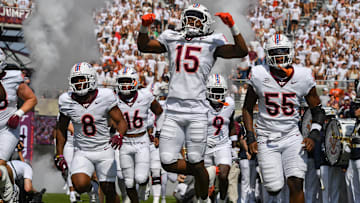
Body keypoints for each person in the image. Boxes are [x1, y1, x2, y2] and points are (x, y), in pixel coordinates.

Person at [137, 3, 248, 202]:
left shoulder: (212, 41)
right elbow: (144, 46)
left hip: (197, 110)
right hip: (173, 109)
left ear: (206, 23)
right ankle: (205, 173)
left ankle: (203, 198)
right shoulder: (172, 37)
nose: (191, 22)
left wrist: (233, 26)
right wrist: (144, 27)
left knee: (196, 161)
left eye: (196, 18)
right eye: (188, 17)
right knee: (167, 162)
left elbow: (241, 51)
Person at [243, 33, 325, 203]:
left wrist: (314, 134)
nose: (279, 56)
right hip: (267, 137)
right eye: (275, 52)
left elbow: (317, 110)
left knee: (295, 182)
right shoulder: (259, 74)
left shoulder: (302, 75)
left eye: (283, 51)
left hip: (291, 135)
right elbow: (247, 108)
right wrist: (250, 136)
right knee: (273, 188)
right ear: (267, 54)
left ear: (291, 52)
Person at [55, 62, 128, 203]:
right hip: (82, 150)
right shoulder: (66, 100)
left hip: (104, 149)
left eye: (82, 78)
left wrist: (119, 135)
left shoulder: (105, 96)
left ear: (92, 78)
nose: (79, 83)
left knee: (109, 191)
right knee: (79, 185)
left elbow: (121, 121)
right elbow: (61, 129)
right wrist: (59, 154)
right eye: (76, 80)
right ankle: (93, 188)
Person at [115, 67, 163, 203]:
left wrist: (158, 133)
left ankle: (145, 183)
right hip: (124, 142)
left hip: (141, 140)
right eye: (122, 81)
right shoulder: (113, 98)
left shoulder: (145, 95)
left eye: (127, 81)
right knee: (128, 182)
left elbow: (159, 112)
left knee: (141, 178)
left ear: (135, 81)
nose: (124, 85)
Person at [0, 55, 37, 202]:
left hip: (7, 129)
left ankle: (11, 191)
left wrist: (19, 113)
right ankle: (8, 192)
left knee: (0, 165)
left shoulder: (13, 78)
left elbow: (31, 99)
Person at [203, 74, 235, 203]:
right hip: (204, 145)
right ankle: (207, 198)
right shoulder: (202, 105)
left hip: (222, 144)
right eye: (214, 90)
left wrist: (233, 144)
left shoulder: (230, 103)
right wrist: (203, 139)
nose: (217, 94)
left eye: (220, 90)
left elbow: (232, 123)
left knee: (223, 175)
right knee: (206, 179)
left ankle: (222, 199)